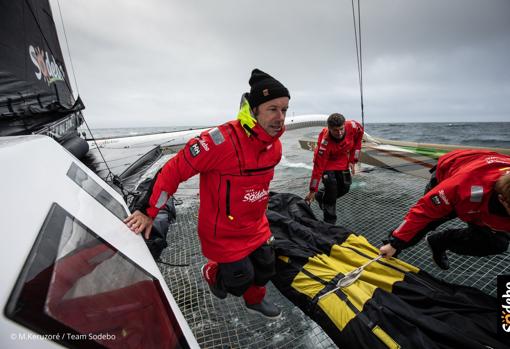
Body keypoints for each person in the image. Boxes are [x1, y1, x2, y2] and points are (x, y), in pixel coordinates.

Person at [124, 68, 290, 319]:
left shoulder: (274, 146)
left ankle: (255, 301)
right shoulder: (219, 142)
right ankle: (213, 274)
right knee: (239, 279)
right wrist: (148, 211)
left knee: (267, 267)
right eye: (272, 109)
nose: (280, 117)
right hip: (223, 231)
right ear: (253, 110)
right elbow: (173, 170)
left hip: (256, 225)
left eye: (285, 110)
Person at [380, 149, 510, 269]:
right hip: (454, 176)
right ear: (502, 200)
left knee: (497, 243)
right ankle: (388, 253)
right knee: (418, 228)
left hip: (482, 195)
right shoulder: (461, 187)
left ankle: (439, 242)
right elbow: (422, 212)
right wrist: (395, 244)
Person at [304, 113, 364, 224]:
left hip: (342, 159)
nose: (340, 133)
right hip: (327, 163)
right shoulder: (324, 144)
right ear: (329, 129)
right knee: (331, 191)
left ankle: (320, 196)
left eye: (341, 129)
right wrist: (312, 190)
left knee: (345, 187)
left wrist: (352, 160)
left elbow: (359, 139)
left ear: (344, 125)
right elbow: (317, 169)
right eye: (336, 130)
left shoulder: (354, 126)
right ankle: (330, 223)